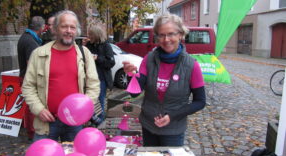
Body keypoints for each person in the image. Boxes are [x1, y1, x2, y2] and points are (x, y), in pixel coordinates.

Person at [123, 13, 206, 147]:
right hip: (149, 125)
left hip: (173, 130)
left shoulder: (191, 65)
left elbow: (200, 101)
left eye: (171, 34)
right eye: (161, 35)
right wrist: (130, 75)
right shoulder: (149, 59)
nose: (166, 39)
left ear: (180, 34)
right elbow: (134, 93)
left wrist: (172, 116)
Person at [22, 10, 100, 142]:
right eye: (64, 26)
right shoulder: (39, 54)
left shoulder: (84, 53)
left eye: (72, 27)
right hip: (46, 122)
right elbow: (28, 87)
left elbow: (94, 85)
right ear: (56, 29)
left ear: (76, 31)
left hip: (74, 123)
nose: (68, 30)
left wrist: (84, 108)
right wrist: (38, 109)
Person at [17, 16, 45, 140]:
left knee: (30, 105)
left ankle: (31, 130)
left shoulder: (26, 37)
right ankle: (32, 132)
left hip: (25, 76)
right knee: (32, 105)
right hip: (30, 78)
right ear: (41, 27)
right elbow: (31, 63)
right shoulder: (30, 41)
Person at [86, 26, 115, 126]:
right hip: (89, 78)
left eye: (90, 34)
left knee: (100, 101)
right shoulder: (89, 45)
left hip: (101, 79)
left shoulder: (106, 46)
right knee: (90, 101)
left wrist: (98, 58)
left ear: (96, 35)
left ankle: (100, 123)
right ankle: (93, 120)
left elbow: (111, 63)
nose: (89, 36)